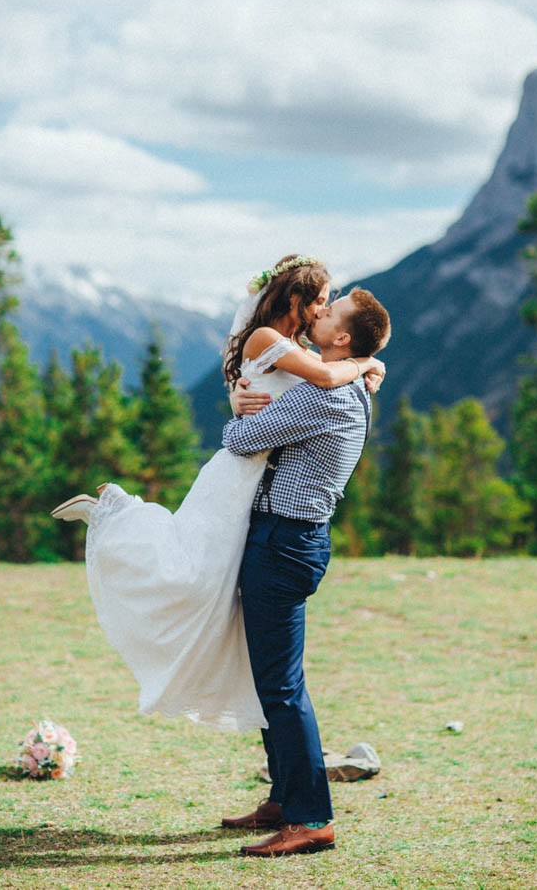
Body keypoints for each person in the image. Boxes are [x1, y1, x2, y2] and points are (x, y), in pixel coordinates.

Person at [50, 255, 386, 733]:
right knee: (188, 569)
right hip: (240, 469)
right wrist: (365, 362)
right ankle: (113, 512)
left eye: (329, 305)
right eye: (319, 301)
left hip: (261, 485)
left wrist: (363, 363)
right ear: (294, 299)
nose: (322, 309)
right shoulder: (268, 339)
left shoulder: (293, 345)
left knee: (208, 580)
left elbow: (309, 383)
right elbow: (326, 378)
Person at [220, 287, 391, 857]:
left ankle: (310, 817)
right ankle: (284, 798)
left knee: (282, 685)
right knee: (274, 678)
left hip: (282, 542)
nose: (319, 313)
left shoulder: (324, 395)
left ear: (342, 338)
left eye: (330, 312)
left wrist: (240, 411)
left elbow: (241, 441)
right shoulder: (342, 384)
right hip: (294, 539)